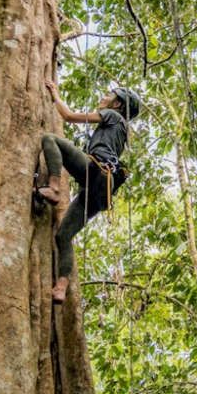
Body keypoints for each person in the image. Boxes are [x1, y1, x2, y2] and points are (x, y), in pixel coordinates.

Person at [39, 80, 140, 303]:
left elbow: (68, 116)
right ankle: (61, 287)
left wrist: (55, 94)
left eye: (109, 95)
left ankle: (54, 188)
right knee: (63, 236)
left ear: (118, 105)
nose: (103, 97)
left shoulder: (112, 116)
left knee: (50, 139)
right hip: (101, 192)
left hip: (96, 171)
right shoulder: (121, 129)